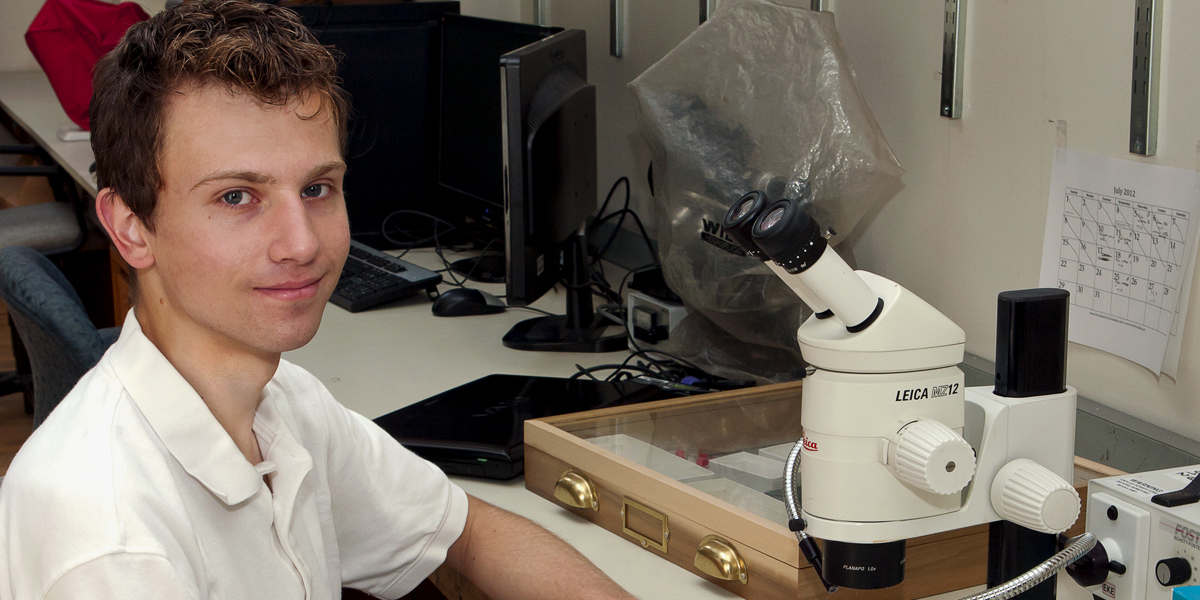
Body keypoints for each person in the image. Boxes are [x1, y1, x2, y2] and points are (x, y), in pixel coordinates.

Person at [0, 2, 637, 599]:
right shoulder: (112, 547)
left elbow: (463, 530)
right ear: (131, 227)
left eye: (317, 188)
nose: (302, 244)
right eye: (236, 197)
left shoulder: (285, 405)